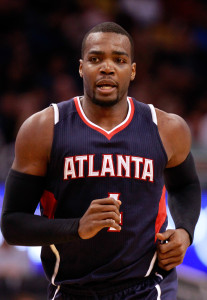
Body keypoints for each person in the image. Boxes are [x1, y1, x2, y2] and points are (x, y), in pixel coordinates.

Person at [1, 22, 201, 300]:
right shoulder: (43, 129)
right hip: (72, 289)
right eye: (96, 59)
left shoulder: (166, 128)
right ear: (81, 67)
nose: (107, 68)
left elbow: (187, 186)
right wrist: (77, 228)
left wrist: (185, 232)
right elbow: (12, 224)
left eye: (119, 60)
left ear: (132, 71)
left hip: (148, 286)